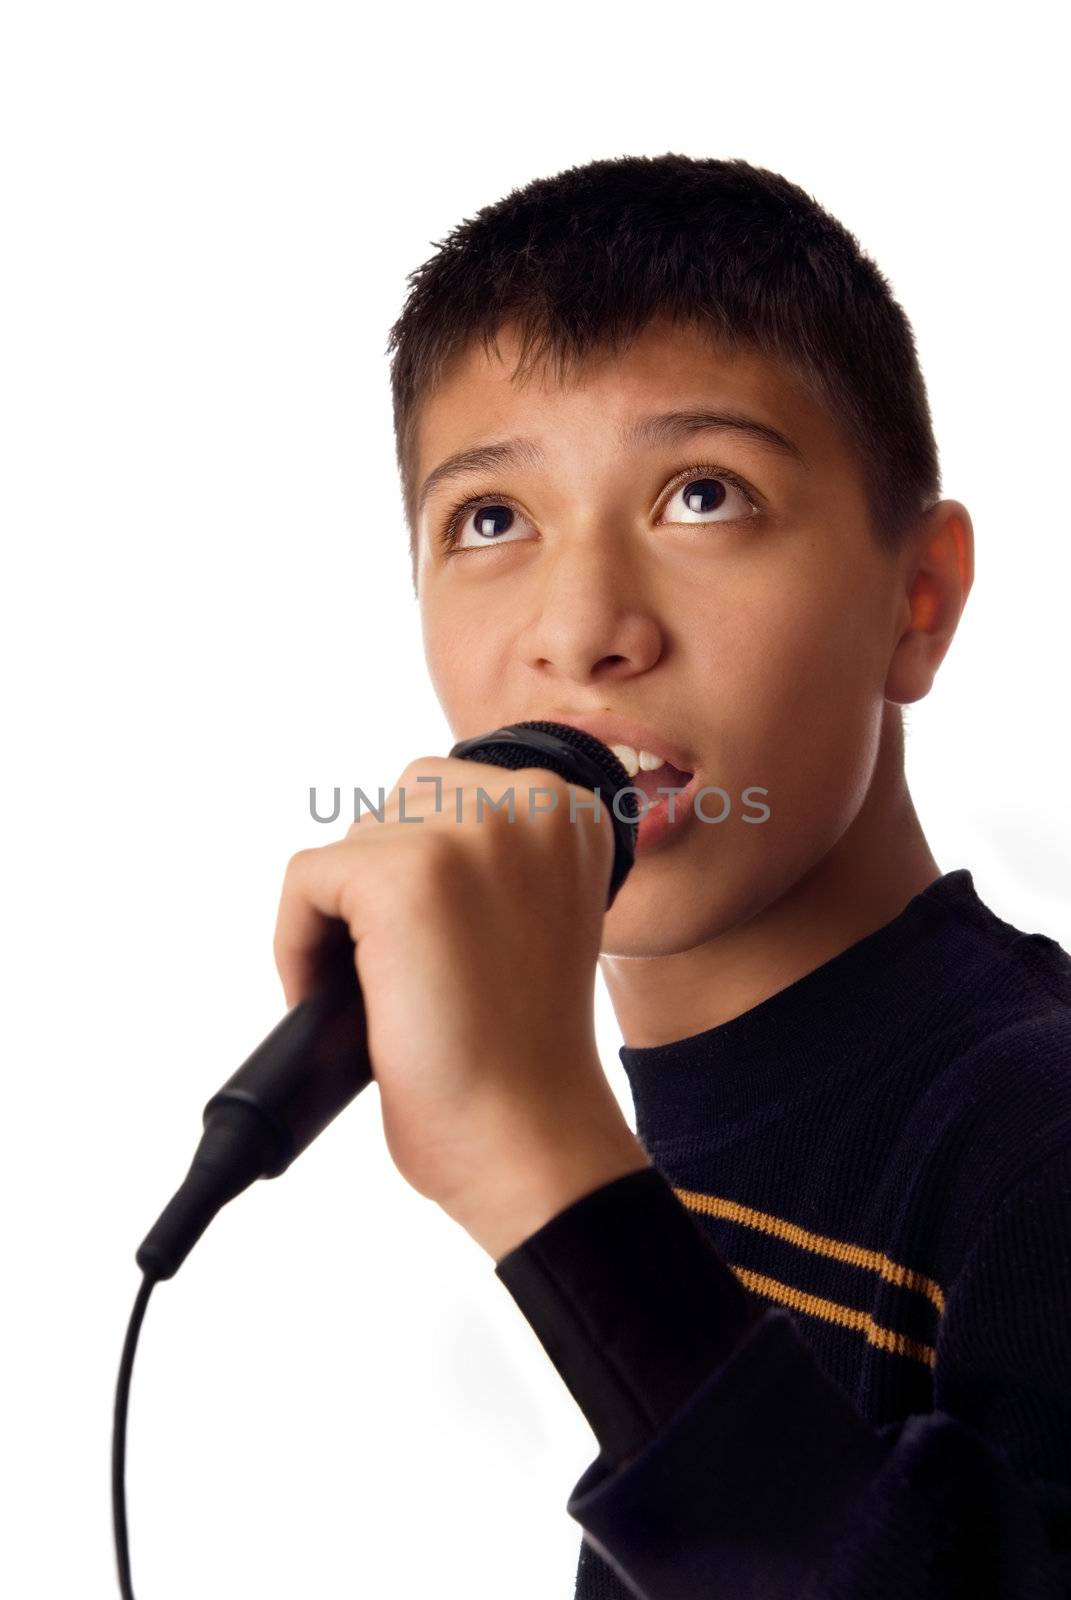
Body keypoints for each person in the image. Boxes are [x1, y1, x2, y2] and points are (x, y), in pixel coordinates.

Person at [273, 154, 1071, 1597]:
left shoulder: (1036, 1138)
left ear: (919, 600)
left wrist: (539, 1164)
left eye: (704, 495)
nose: (582, 631)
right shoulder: (676, 1133)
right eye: (492, 521)